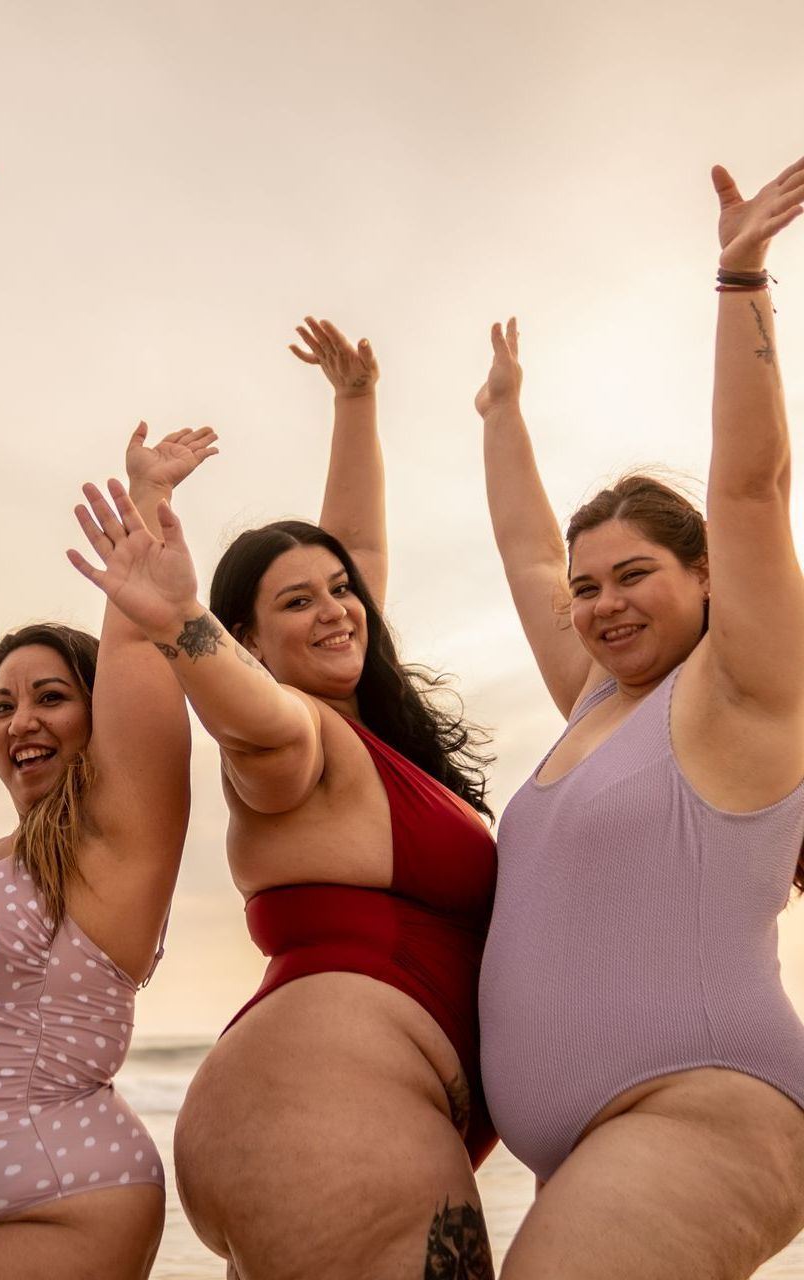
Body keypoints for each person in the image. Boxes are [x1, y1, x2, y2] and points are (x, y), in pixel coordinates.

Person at [69, 319, 497, 1280]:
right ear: (251, 642)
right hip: (322, 1112)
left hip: (321, 1118)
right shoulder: (293, 741)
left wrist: (355, 404)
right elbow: (250, 718)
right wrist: (184, 623)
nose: (334, 608)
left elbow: (362, 552)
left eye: (336, 590)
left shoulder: (365, 733)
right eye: (294, 602)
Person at [474, 154, 804, 1279]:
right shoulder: (594, 697)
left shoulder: (747, 690)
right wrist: (499, 415)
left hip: (705, 1105)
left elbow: (752, 484)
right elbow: (525, 550)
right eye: (586, 585)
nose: (600, 603)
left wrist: (737, 276)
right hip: (589, 1148)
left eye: (633, 574)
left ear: (707, 576)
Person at [0, 423, 216, 1278]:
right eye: (1, 703)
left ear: (99, 719)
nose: (20, 719)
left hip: (56, 1203)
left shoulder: (117, 842)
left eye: (51, 696)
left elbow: (136, 644)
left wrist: (147, 501)